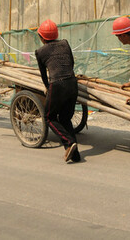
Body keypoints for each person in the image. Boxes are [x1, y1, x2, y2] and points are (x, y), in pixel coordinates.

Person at [35, 19, 80, 163]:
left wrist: (48, 89)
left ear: (41, 37)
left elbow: (44, 74)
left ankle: (68, 142)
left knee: (49, 117)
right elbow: (71, 63)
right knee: (65, 118)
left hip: (57, 85)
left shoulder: (40, 51)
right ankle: (75, 154)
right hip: (72, 83)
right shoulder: (65, 44)